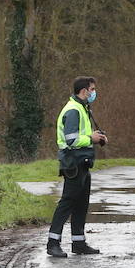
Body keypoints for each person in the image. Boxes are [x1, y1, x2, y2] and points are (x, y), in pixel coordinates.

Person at [47, 76, 107, 258]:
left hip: (82, 162)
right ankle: (52, 243)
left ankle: (79, 243)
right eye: (92, 89)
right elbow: (71, 139)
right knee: (67, 203)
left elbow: (81, 134)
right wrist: (91, 138)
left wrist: (97, 136)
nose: (94, 93)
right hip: (73, 163)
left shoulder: (81, 108)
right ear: (84, 91)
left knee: (81, 204)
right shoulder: (73, 110)